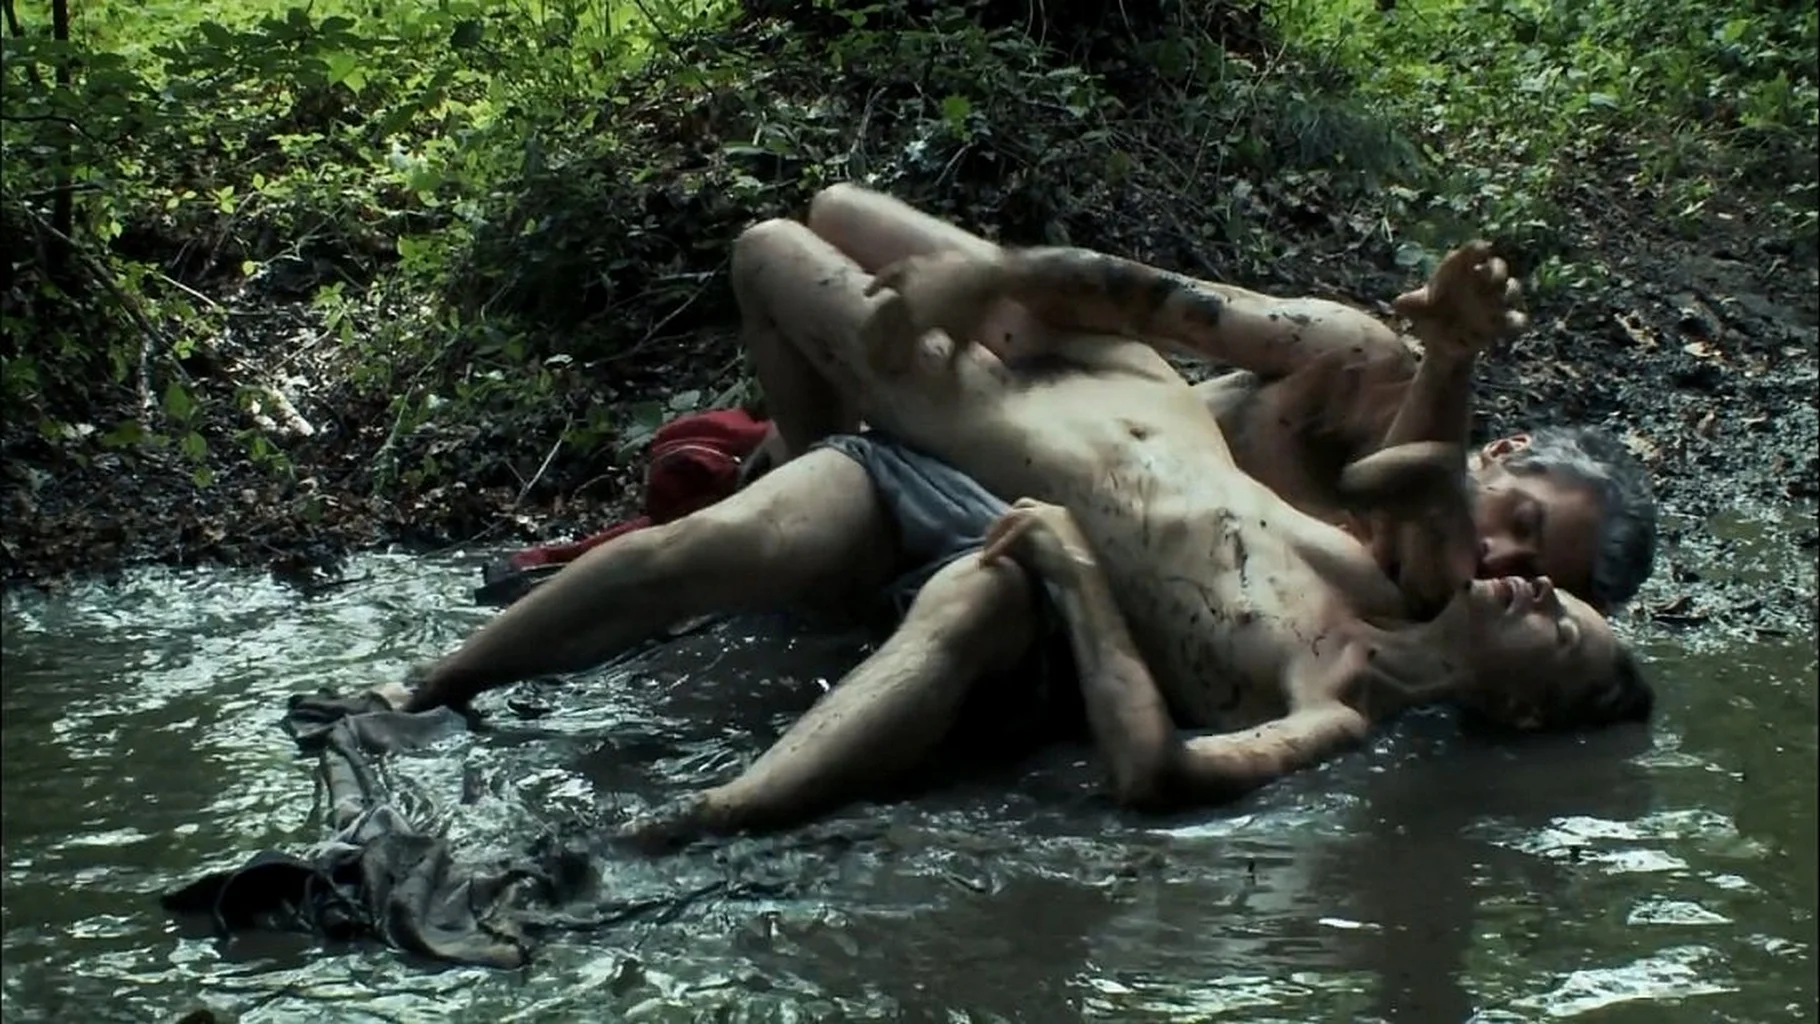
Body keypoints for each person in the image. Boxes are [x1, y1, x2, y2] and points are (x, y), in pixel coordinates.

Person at [400, 190, 1652, 837]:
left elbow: (1154, 771)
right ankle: (426, 686)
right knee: (820, 232)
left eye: (1555, 608)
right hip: (1101, 390)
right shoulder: (1408, 560)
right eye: (1531, 548)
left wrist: (1077, 579)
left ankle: (698, 801)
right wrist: (1452, 349)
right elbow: (1420, 470)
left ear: (1519, 705)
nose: (1516, 573)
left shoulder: (1339, 703)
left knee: (774, 257)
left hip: (999, 472)